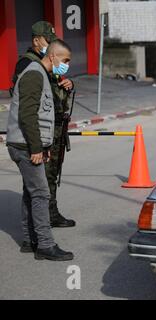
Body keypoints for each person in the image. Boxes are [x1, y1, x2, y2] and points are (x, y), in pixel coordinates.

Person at [6, 40, 74, 261]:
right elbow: (27, 115)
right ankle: (45, 245)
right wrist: (36, 148)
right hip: (25, 145)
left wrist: (42, 146)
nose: (66, 65)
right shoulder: (34, 74)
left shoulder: (41, 74)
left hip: (28, 144)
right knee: (41, 193)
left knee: (30, 191)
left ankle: (29, 240)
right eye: (65, 61)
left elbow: (40, 114)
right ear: (52, 56)